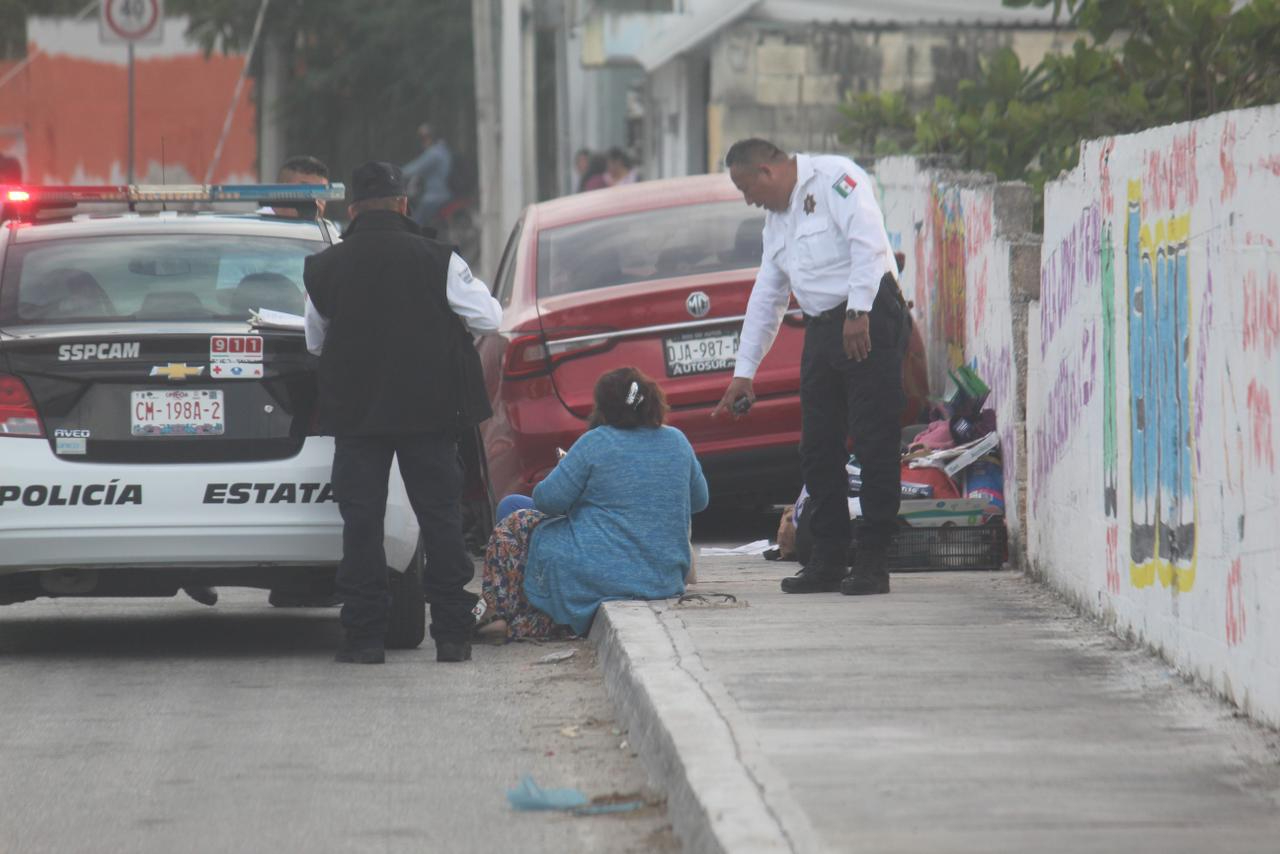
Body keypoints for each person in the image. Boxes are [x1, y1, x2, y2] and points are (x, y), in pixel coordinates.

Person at [303, 161, 502, 664]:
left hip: (356, 415)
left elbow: (314, 340)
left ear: (351, 211)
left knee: (362, 524)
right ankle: (453, 636)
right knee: (440, 520)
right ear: (405, 206)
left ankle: (365, 638)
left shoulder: (325, 266)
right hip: (430, 412)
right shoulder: (439, 259)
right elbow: (490, 317)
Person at [712, 138, 909, 596]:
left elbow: (870, 242)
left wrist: (858, 313)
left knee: (873, 438)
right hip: (823, 326)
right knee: (818, 447)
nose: (748, 200)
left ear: (767, 170)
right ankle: (829, 558)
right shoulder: (777, 219)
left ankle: (874, 560)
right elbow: (770, 292)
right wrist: (745, 371)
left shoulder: (837, 178)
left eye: (747, 187)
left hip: (869, 314)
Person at [477, 367, 708, 641]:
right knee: (520, 512)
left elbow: (547, 500)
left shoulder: (596, 442)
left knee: (513, 523)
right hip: (663, 579)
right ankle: (520, 624)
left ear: (603, 408)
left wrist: (569, 472)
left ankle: (497, 611)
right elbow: (699, 500)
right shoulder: (677, 440)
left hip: (602, 573)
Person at [401, 122, 452, 228]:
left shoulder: (434, 153)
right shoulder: (443, 150)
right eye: (421, 138)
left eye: (425, 138)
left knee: (415, 224)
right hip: (445, 194)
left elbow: (416, 168)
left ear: (432, 137)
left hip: (435, 196)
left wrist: (395, 171)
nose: (423, 141)